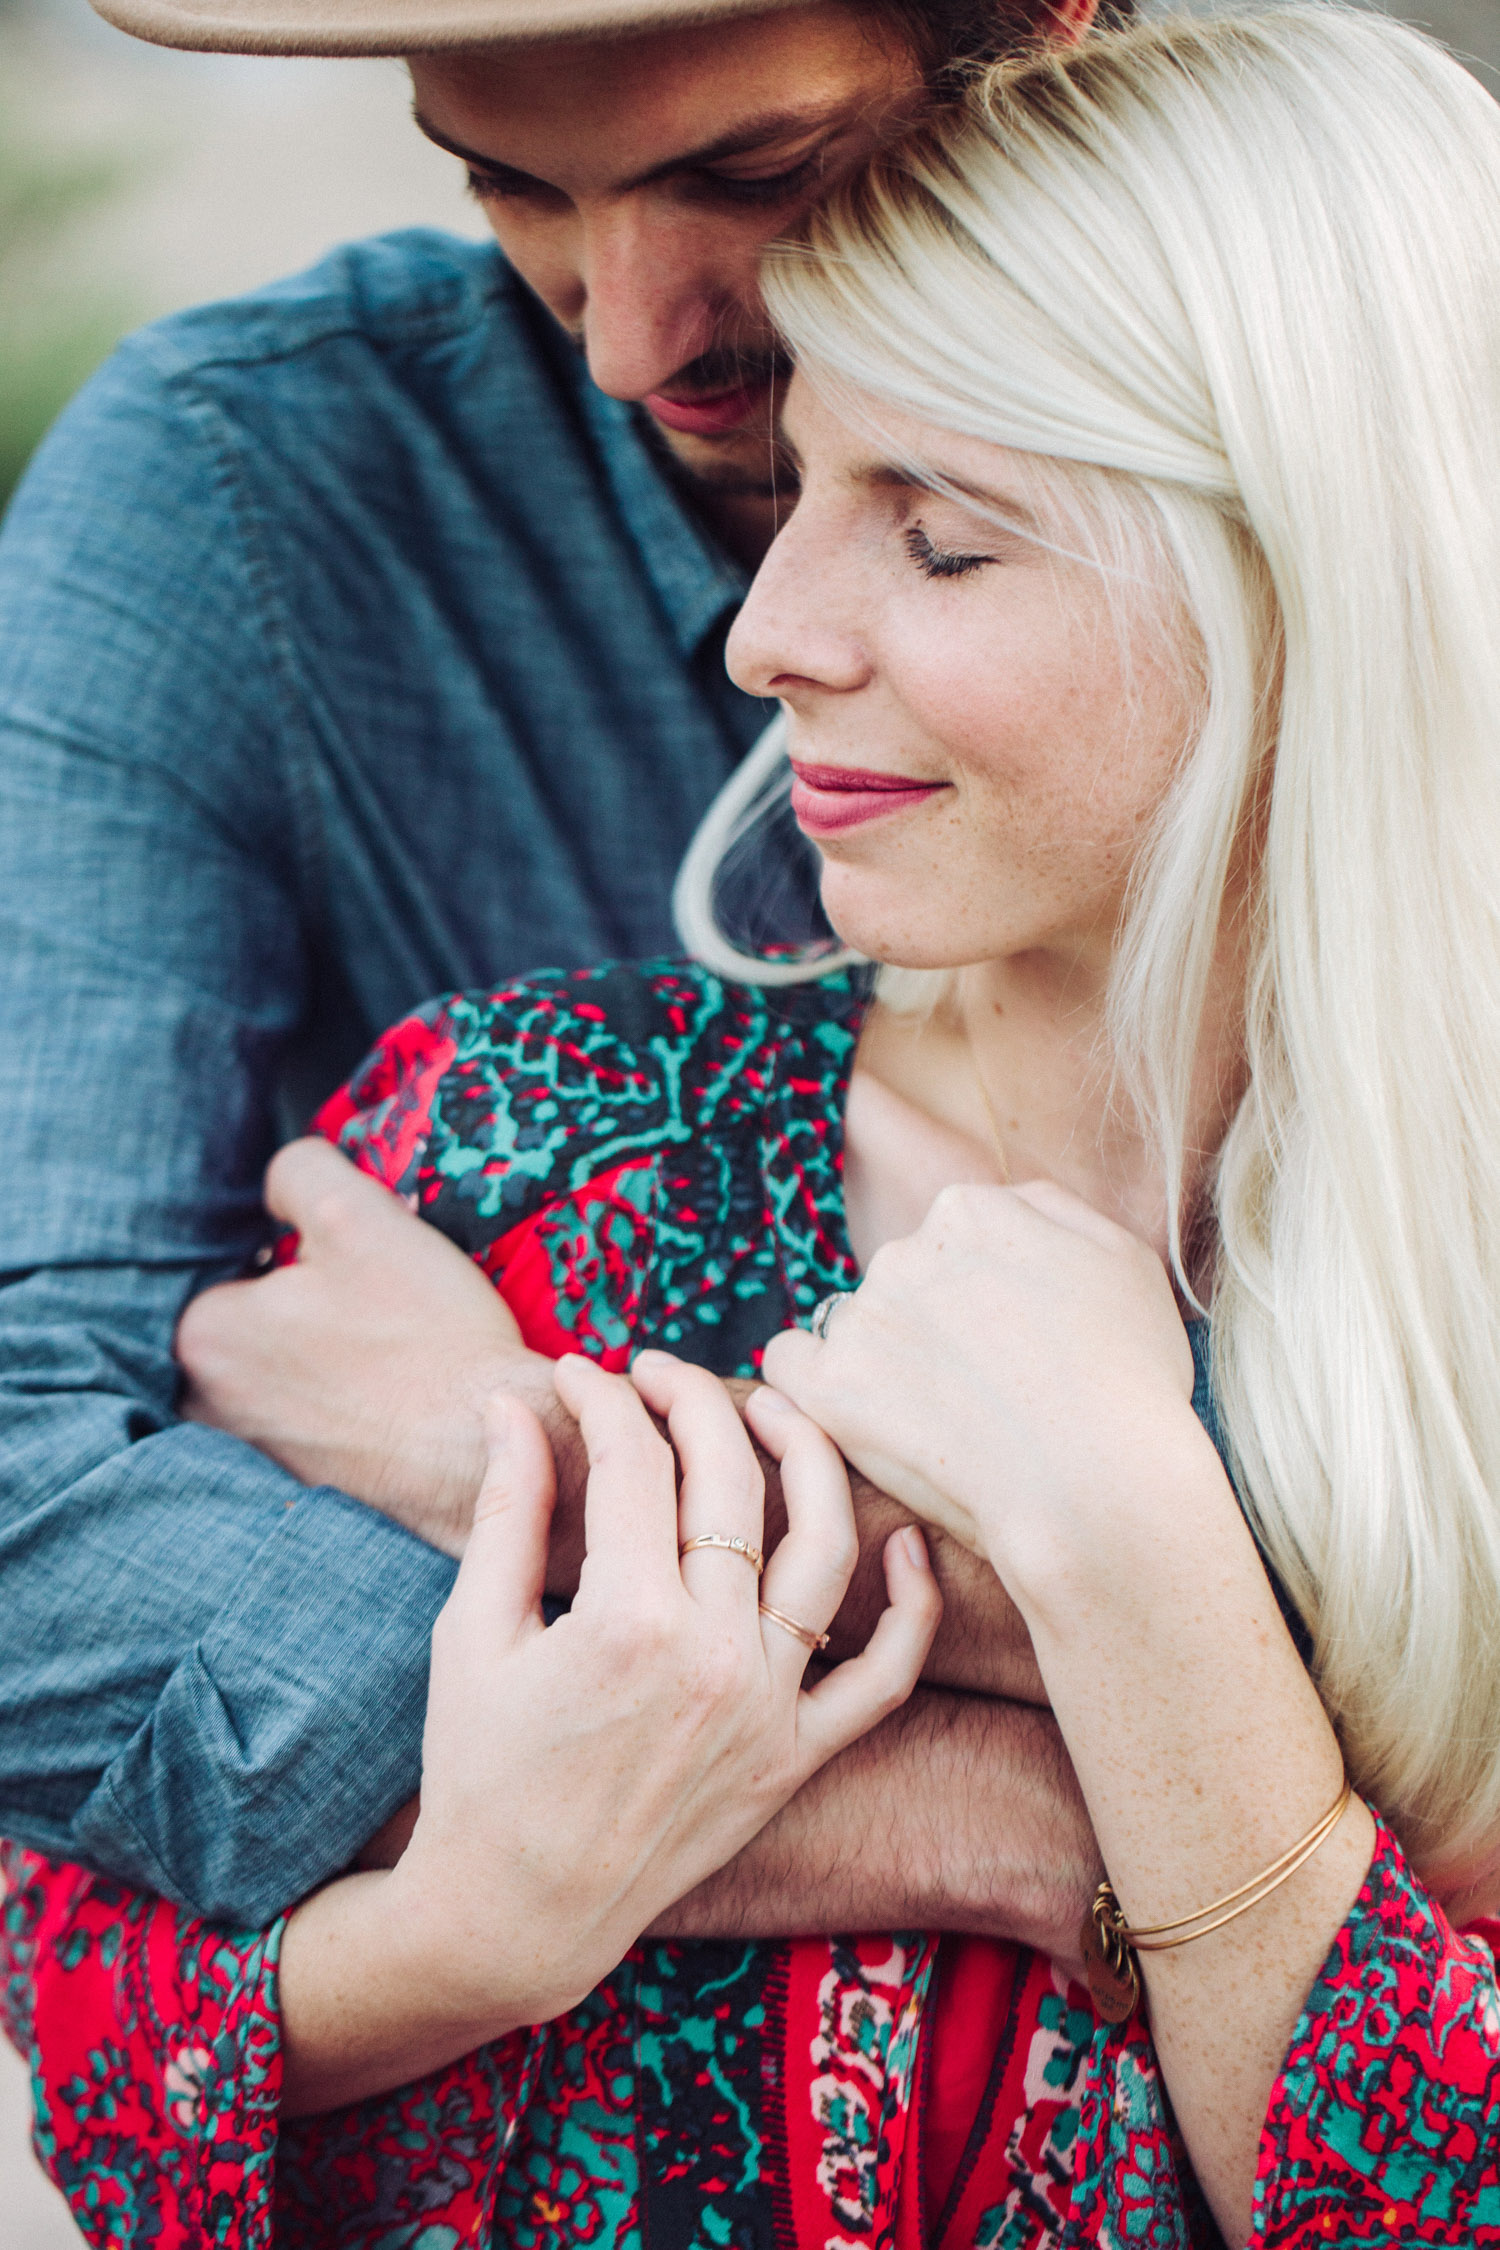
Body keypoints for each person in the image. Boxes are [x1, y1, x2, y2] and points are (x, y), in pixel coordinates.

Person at [11, 7, 1500, 2244]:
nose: (767, 633)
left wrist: (1117, 1567)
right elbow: (108, 1998)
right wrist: (1035, 1778)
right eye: (504, 184)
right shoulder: (526, 1134)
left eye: (738, 171)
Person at [0, 0, 1099, 1943]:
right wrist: (976, 1800)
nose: (624, 335)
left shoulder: (1394, 448)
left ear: (1056, 31)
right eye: (509, 187)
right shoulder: (245, 486)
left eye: (752, 176)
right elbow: (25, 1507)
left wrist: (510, 1460)